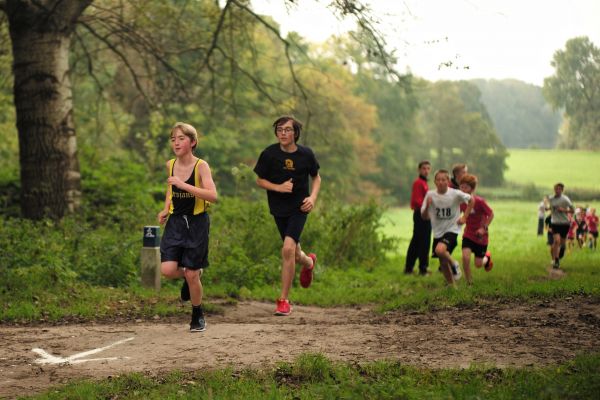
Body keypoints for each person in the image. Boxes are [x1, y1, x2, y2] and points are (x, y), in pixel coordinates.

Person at [254, 115, 321, 316]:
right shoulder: (268, 154)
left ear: (295, 133)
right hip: (278, 208)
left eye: (287, 130)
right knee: (293, 252)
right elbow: (260, 181)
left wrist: (313, 198)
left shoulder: (306, 154)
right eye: (280, 130)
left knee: (287, 248)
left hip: (299, 208)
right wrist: (279, 188)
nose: (283, 133)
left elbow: (316, 177)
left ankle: (283, 300)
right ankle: (309, 262)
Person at [157, 122, 218, 332]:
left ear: (192, 142)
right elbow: (170, 188)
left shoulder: (201, 166)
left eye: (181, 138)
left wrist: (184, 185)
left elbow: (213, 195)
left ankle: (197, 314)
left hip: (197, 222)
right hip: (175, 222)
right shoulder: (170, 164)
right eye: (173, 138)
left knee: (192, 274)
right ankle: (191, 275)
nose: (176, 142)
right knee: (166, 269)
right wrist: (166, 208)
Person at [421, 169, 474, 286]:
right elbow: (424, 217)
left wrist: (464, 217)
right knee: (442, 261)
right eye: (438, 180)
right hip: (437, 232)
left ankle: (454, 263)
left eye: (443, 180)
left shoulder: (455, 193)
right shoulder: (430, 195)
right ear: (435, 182)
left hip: (452, 229)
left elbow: (471, 200)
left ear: (448, 181)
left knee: (439, 250)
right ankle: (452, 286)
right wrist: (427, 207)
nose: (441, 182)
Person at [458, 174, 494, 285]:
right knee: (465, 257)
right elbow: (458, 215)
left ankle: (486, 258)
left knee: (478, 264)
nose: (463, 190)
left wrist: (483, 229)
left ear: (472, 189)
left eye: (466, 187)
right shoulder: (461, 202)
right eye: (461, 187)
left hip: (481, 237)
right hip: (468, 234)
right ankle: (469, 282)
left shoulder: (479, 202)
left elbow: (491, 214)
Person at [404, 160, 432, 276]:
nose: (426, 171)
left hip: (423, 214)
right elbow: (417, 201)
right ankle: (422, 269)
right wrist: (427, 210)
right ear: (419, 170)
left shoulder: (424, 183)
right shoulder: (418, 183)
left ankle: (410, 268)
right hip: (421, 215)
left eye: (428, 168)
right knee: (422, 242)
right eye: (424, 168)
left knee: (417, 241)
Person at [547, 183, 574, 269]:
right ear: (554, 189)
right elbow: (550, 207)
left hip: (564, 223)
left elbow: (572, 210)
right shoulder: (551, 199)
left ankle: (562, 248)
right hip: (555, 223)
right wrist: (548, 208)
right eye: (556, 189)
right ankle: (556, 261)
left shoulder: (566, 199)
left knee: (562, 243)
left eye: (559, 189)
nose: (557, 190)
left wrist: (564, 210)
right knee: (556, 241)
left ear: (562, 190)